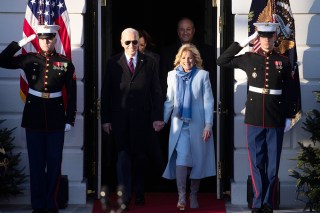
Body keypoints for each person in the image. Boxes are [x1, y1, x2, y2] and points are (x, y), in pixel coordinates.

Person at [216, 22, 299, 213]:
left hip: (276, 118)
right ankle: (257, 202)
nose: (267, 40)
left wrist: (288, 116)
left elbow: (290, 91)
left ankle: (268, 203)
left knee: (272, 164)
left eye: (270, 37)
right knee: (256, 162)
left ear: (275, 38)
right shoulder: (249, 58)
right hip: (254, 118)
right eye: (262, 36)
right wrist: (246, 41)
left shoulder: (284, 61)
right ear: (258, 38)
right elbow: (222, 60)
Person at [0, 24, 77, 213]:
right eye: (43, 38)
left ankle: (51, 204)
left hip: (56, 119)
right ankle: (38, 205)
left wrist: (70, 120)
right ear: (38, 40)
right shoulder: (28, 59)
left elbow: (73, 94)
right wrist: (21, 43)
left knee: (53, 163)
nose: (46, 42)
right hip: (34, 118)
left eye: (50, 38)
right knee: (35, 164)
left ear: (55, 39)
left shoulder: (65, 63)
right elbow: (2, 60)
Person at [100, 27, 164, 210]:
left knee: (141, 157)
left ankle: (140, 191)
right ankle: (125, 195)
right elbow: (106, 93)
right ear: (121, 43)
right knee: (122, 157)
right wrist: (106, 119)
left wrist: (157, 117)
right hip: (120, 120)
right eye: (127, 42)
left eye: (135, 42)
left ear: (139, 42)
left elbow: (156, 91)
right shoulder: (113, 63)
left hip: (143, 119)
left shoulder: (150, 62)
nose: (131, 45)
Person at [162, 43, 216, 211]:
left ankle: (193, 193)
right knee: (182, 160)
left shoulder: (202, 75)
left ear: (195, 60)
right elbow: (169, 101)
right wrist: (162, 121)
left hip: (198, 126)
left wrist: (208, 125)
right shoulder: (171, 76)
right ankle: (181, 196)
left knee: (197, 161)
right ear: (179, 59)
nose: (187, 61)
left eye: (190, 58)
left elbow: (208, 102)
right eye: (184, 58)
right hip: (180, 127)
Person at [160, 17, 216, 98]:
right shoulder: (167, 52)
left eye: (188, 29)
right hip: (176, 102)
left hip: (199, 100)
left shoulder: (207, 51)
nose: (185, 32)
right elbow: (163, 81)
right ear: (178, 31)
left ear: (193, 31)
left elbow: (212, 79)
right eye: (182, 29)